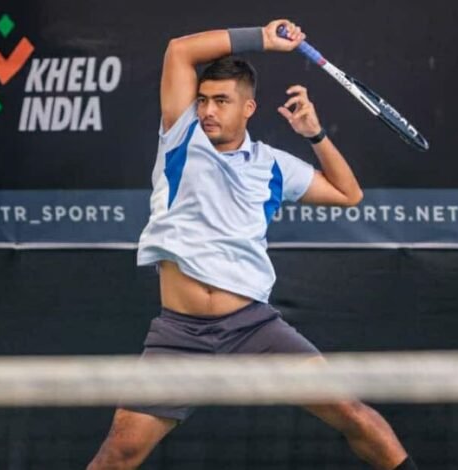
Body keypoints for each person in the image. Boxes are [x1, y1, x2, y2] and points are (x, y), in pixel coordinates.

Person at [88, 19, 417, 470]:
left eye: (221, 101)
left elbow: (348, 194)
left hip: (254, 329)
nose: (208, 110)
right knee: (120, 452)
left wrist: (315, 135)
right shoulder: (180, 136)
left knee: (351, 412)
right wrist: (264, 38)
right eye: (203, 100)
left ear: (248, 107)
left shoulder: (274, 166)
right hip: (180, 337)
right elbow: (179, 50)